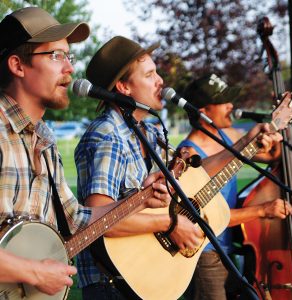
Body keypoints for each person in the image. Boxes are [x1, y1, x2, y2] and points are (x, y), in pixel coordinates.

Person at [0, 8, 170, 296]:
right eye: (56, 56)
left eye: (70, 57)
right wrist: (34, 272)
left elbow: (78, 219)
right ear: (18, 65)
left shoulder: (45, 141)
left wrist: (141, 199)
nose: (69, 68)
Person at [74, 36, 204, 300]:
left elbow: (191, 176)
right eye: (150, 74)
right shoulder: (108, 136)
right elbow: (99, 222)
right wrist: (171, 223)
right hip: (111, 284)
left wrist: (248, 144)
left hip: (139, 277)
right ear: (123, 86)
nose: (160, 81)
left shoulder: (148, 131)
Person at [178, 73, 292, 300]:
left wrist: (277, 126)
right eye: (223, 102)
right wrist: (262, 210)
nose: (232, 105)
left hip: (230, 249)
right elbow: (208, 217)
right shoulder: (189, 154)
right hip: (206, 255)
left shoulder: (228, 137)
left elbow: (273, 156)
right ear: (204, 112)